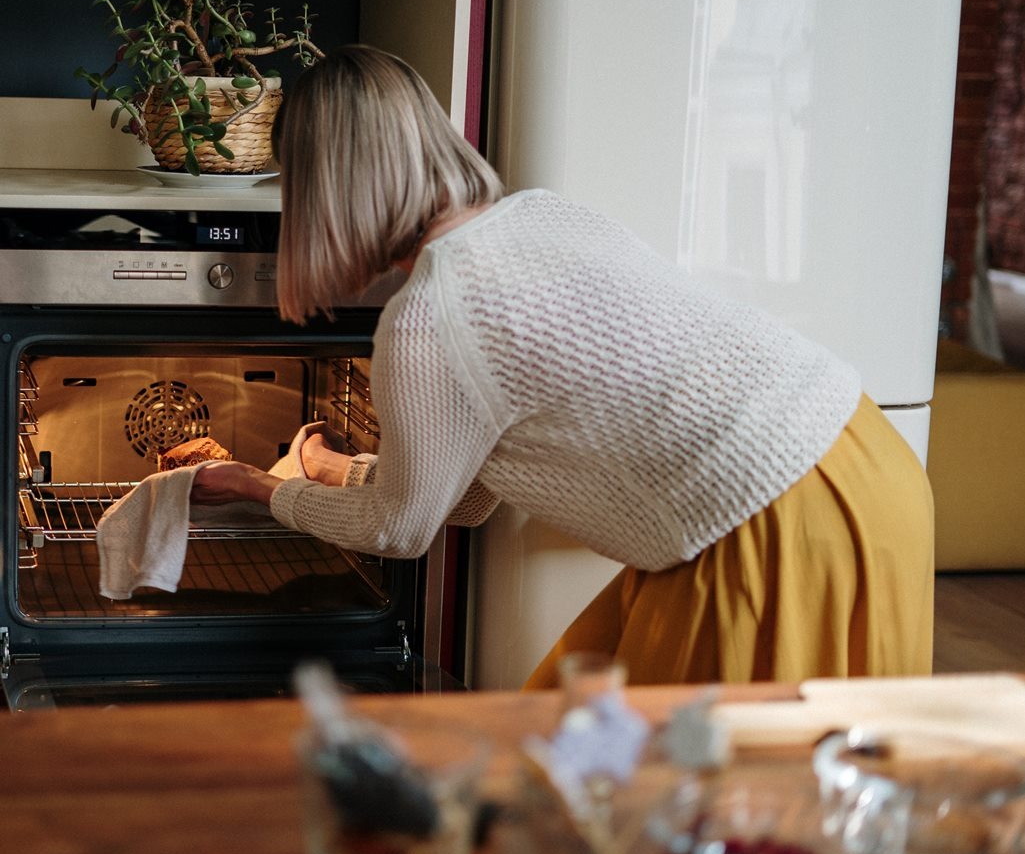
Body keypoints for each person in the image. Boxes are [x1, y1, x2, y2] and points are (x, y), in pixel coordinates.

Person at [190, 43, 935, 687]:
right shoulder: (545, 216)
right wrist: (324, 468)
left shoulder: (426, 317)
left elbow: (400, 530)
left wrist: (258, 488)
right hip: (865, 466)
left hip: (769, 532)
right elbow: (467, 495)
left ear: (325, 188)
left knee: (702, 805)